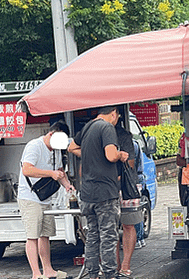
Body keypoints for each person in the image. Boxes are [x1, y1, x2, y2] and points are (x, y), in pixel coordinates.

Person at [67, 106, 128, 279]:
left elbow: (71, 147)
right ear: (113, 113)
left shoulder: (88, 126)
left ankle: (92, 273)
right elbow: (110, 155)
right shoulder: (107, 127)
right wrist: (120, 155)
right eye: (117, 117)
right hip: (105, 192)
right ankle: (109, 273)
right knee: (108, 235)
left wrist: (89, 155)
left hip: (87, 193)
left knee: (92, 234)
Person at [18, 121, 75, 279]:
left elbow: (60, 171)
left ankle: (48, 270)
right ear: (51, 134)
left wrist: (67, 186)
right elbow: (27, 169)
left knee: (45, 235)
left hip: (45, 197)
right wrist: (50, 173)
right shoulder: (34, 146)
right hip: (29, 197)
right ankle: (36, 274)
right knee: (32, 236)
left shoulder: (56, 150)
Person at [115, 123, 143, 278]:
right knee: (128, 225)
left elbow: (130, 162)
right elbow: (131, 164)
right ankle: (125, 266)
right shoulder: (125, 136)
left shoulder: (123, 136)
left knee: (111, 228)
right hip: (127, 187)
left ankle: (119, 265)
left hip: (121, 186)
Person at [133, 139, 146, 249]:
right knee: (137, 209)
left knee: (133, 209)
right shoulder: (136, 143)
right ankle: (140, 238)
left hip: (134, 179)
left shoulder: (131, 144)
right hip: (138, 178)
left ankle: (138, 238)